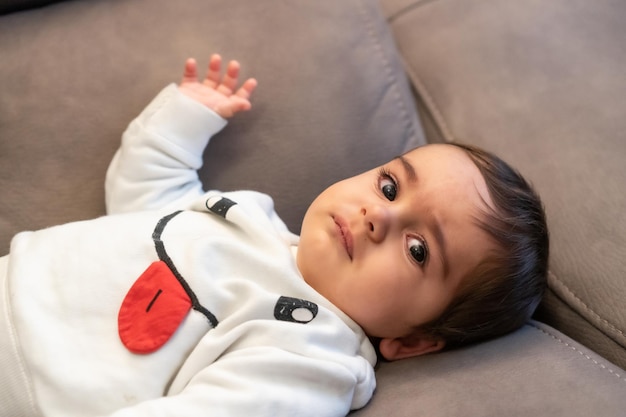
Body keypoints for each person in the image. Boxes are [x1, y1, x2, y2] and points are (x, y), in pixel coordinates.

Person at [0, 54, 549, 417]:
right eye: (388, 186)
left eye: (419, 249)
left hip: (30, 385)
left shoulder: (315, 355)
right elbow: (147, 207)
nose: (378, 217)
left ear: (412, 342)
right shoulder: (251, 218)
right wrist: (185, 119)